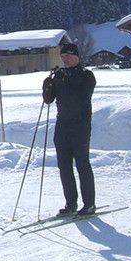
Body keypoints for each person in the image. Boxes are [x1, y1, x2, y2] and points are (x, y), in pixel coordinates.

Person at [42, 40, 96, 216]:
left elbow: (80, 97)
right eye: (62, 56)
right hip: (62, 125)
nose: (64, 59)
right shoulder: (60, 76)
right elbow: (49, 100)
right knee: (64, 166)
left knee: (82, 165)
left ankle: (89, 204)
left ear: (76, 57)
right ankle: (70, 203)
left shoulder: (87, 76)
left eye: (68, 56)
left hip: (80, 125)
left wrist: (65, 80)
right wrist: (47, 86)